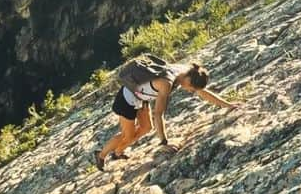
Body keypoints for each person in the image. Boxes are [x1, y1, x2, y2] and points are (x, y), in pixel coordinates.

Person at [95, 62, 238, 169]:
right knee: (127, 135)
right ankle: (101, 155)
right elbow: (158, 114)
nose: (190, 91)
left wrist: (228, 105)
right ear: (188, 81)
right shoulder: (166, 83)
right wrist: (164, 142)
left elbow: (203, 92)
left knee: (146, 128)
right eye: (191, 88)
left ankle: (118, 152)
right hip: (127, 99)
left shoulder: (188, 71)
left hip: (141, 98)